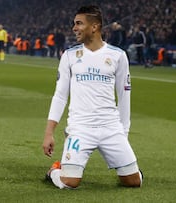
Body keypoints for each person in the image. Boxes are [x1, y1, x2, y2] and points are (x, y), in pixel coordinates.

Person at [42, 5, 143, 189]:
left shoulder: (118, 56)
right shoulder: (70, 56)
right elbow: (60, 96)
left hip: (110, 128)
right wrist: (49, 133)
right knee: (69, 183)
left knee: (133, 182)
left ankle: (131, 168)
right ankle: (54, 171)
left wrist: (124, 132)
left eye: (79, 23)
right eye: (74, 24)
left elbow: (124, 96)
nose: (74, 28)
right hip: (80, 128)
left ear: (94, 26)